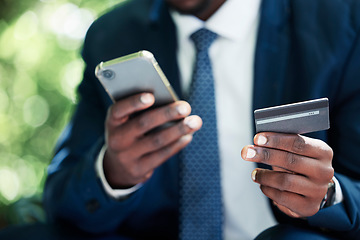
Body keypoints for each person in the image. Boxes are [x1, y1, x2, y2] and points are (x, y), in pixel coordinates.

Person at [43, 0, 360, 239]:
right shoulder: (112, 36)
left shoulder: (342, 22)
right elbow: (62, 198)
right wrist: (114, 173)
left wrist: (329, 193)